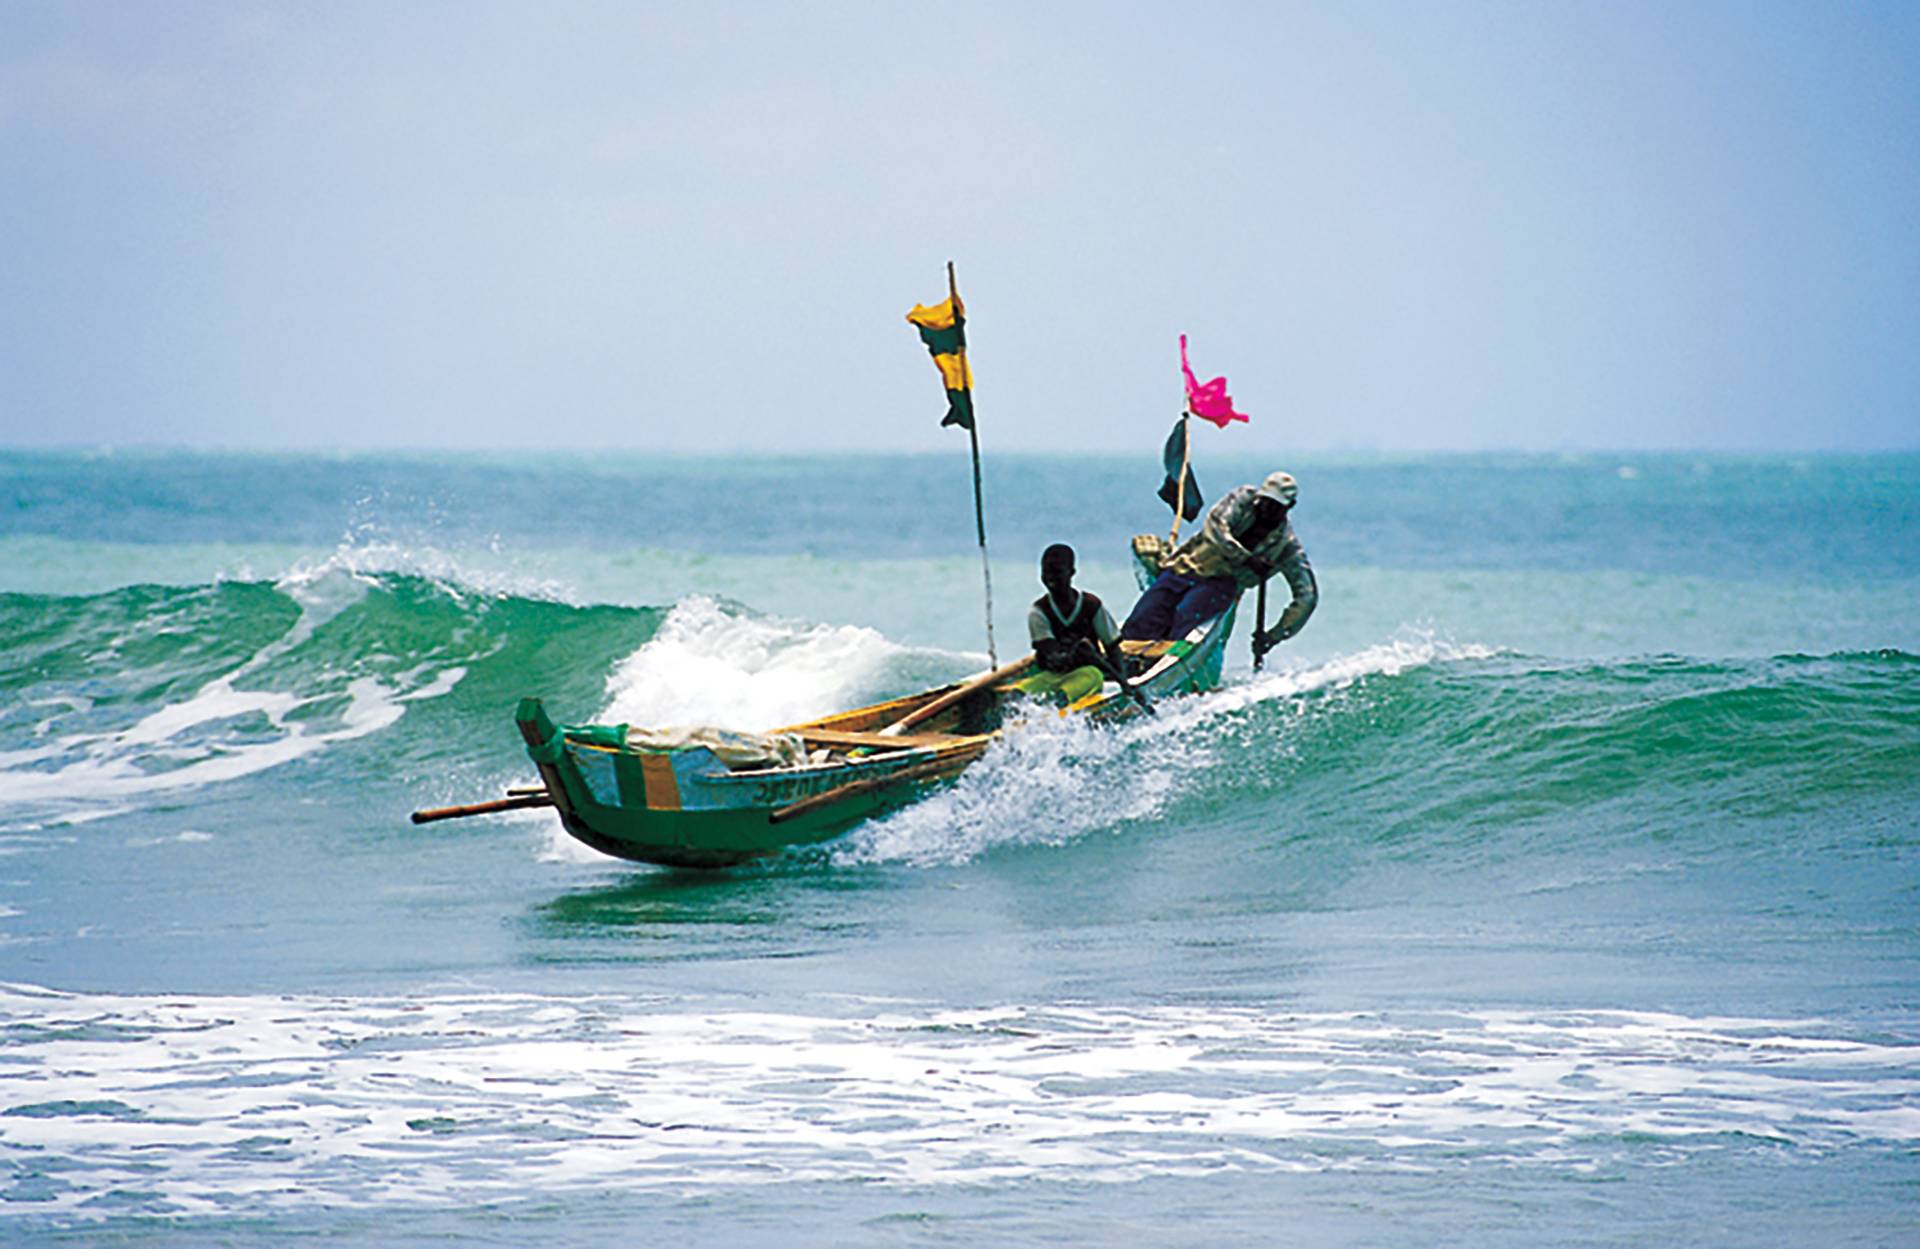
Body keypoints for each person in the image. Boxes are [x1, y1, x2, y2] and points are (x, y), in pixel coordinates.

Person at [1122, 471, 1317, 657]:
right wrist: (1247, 559)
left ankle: (1163, 667)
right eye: (1265, 501)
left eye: (1276, 506)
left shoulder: (1287, 546)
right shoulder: (1243, 499)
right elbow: (1216, 526)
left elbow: (1307, 596)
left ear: (1289, 506)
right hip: (1183, 569)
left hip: (1220, 587)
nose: (1267, 509)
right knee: (1141, 620)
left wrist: (1273, 636)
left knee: (1185, 619)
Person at [1017, 543, 1125, 703]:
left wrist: (1122, 681)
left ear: (1072, 572)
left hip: (1085, 673)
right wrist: (1077, 653)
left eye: (1057, 573)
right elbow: (1053, 657)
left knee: (1092, 677)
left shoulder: (1092, 605)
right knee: (1017, 693)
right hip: (1051, 676)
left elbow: (1113, 648)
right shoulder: (1039, 612)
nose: (1051, 579)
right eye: (1046, 573)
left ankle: (1058, 704)